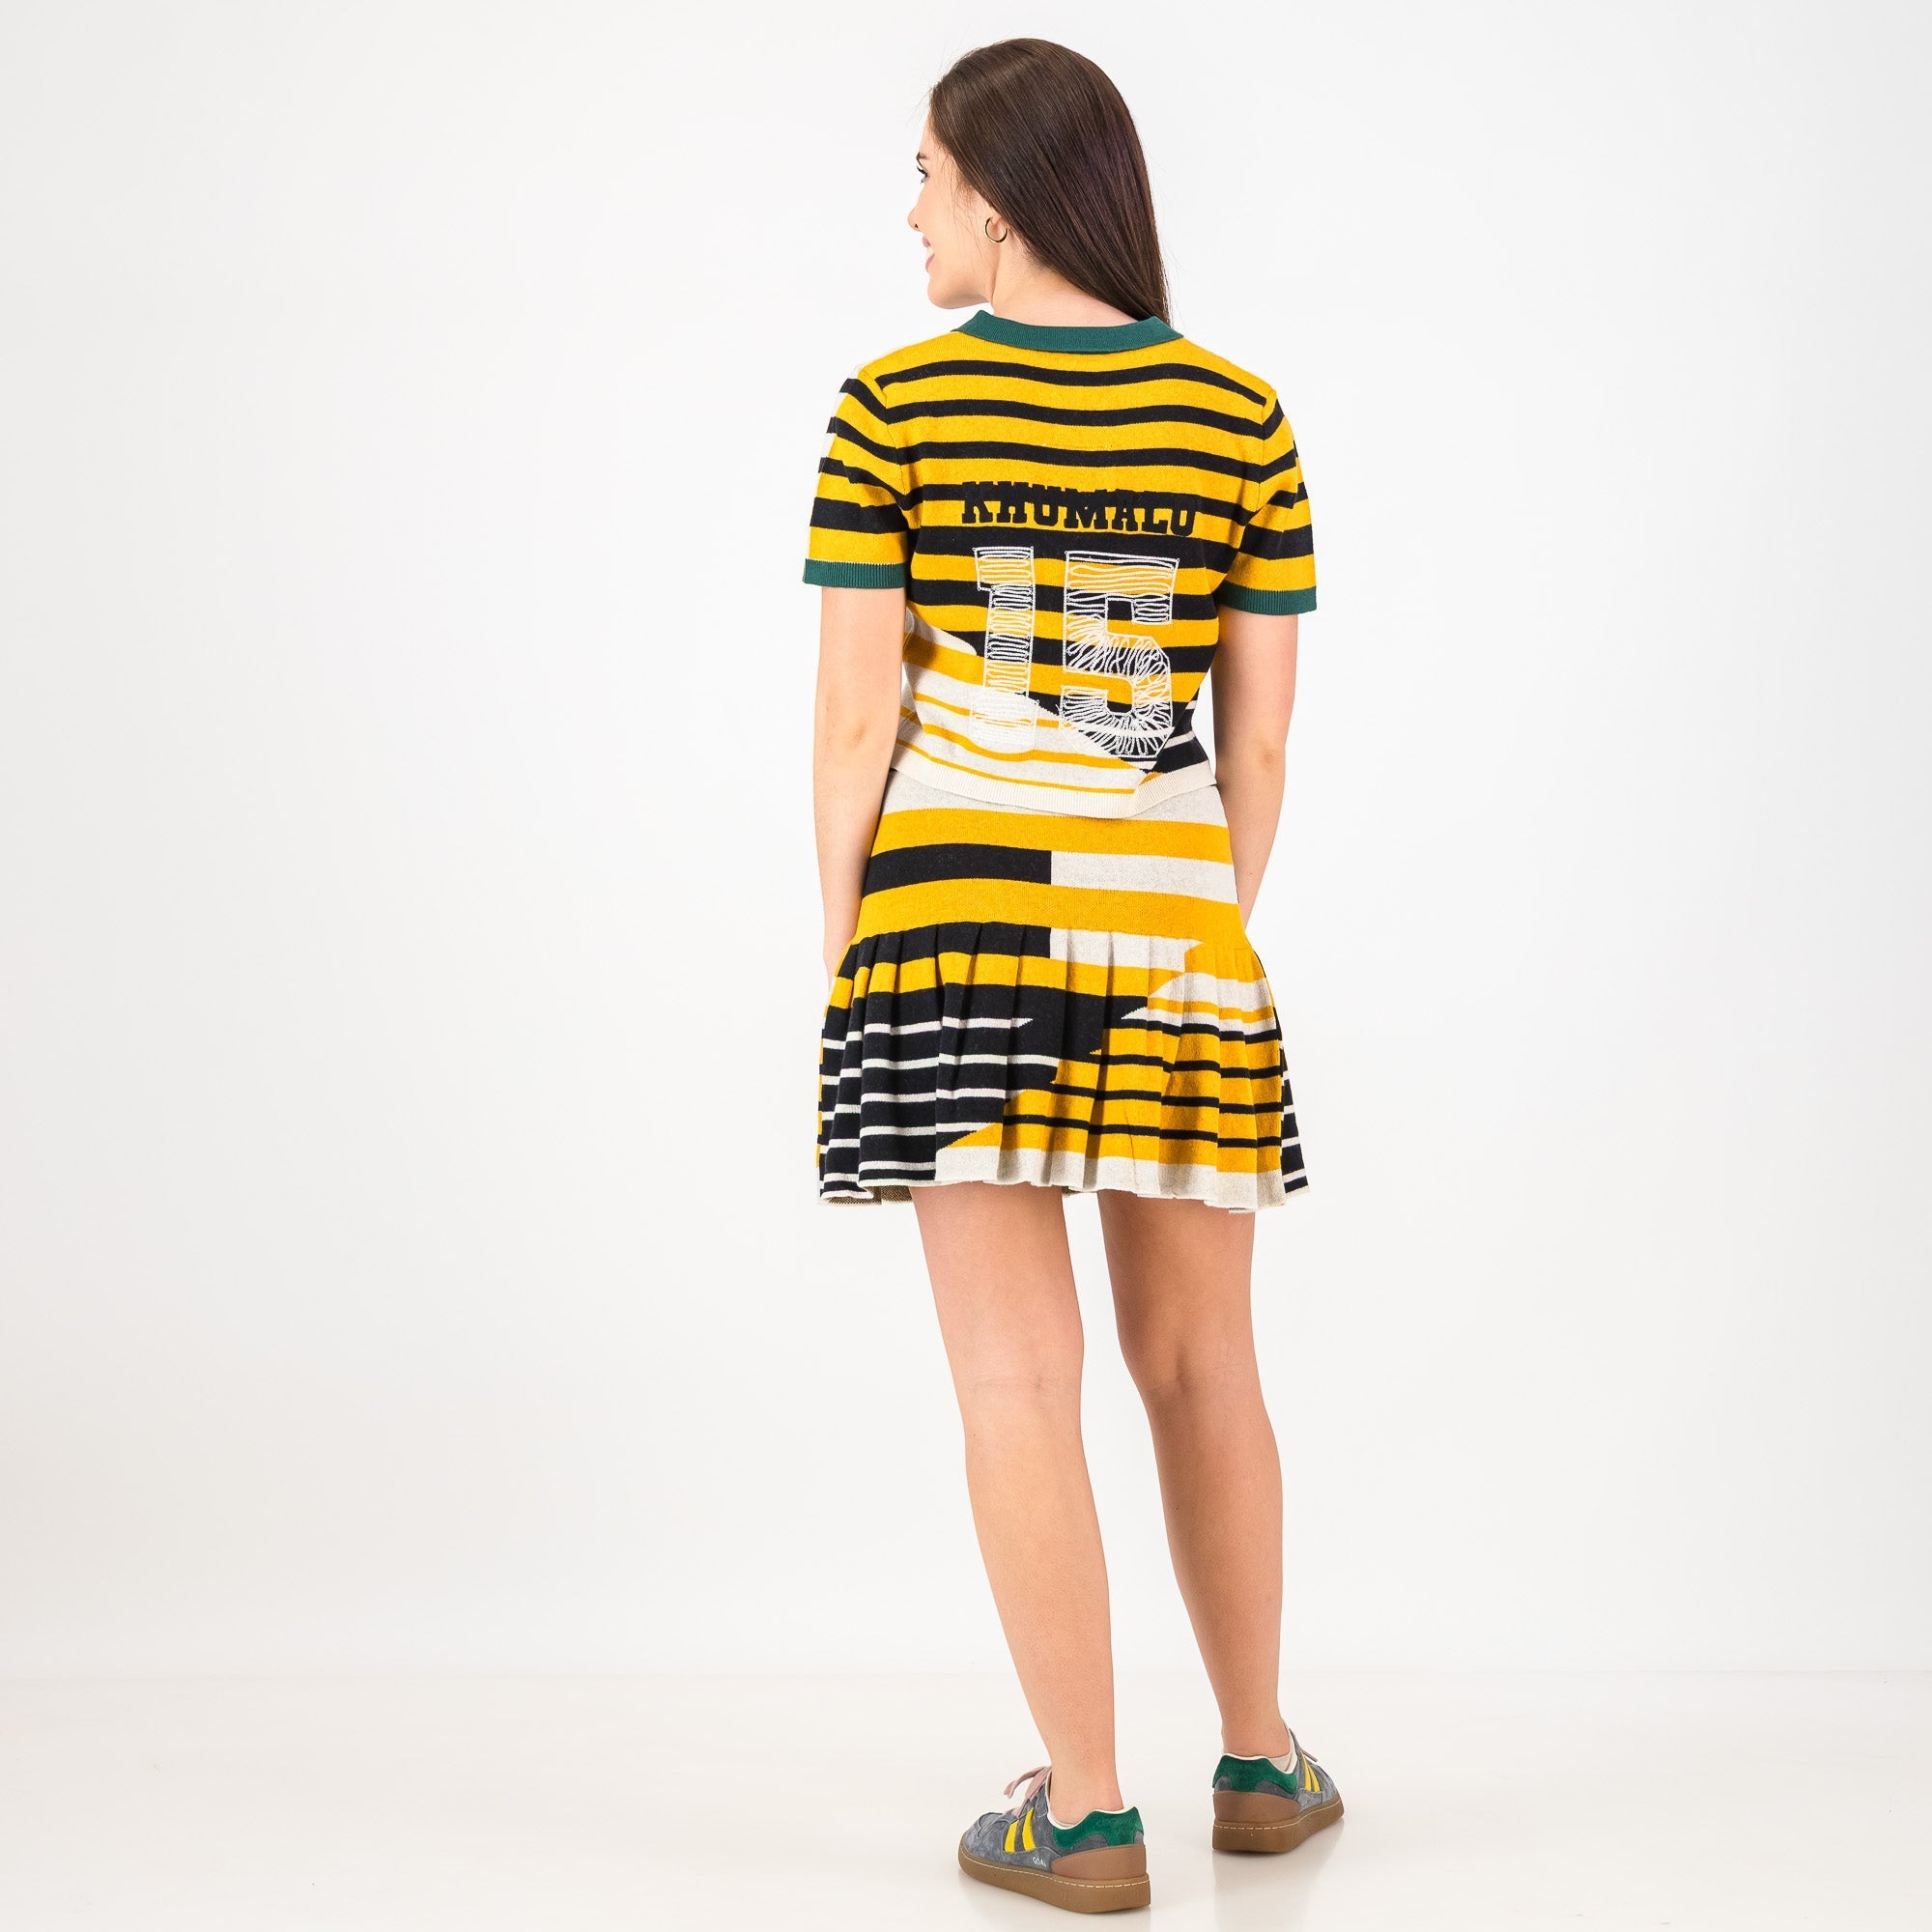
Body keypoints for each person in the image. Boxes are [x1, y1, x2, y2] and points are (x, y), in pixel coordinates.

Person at [805, 38, 1341, 1915]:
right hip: (1176, 932)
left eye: (927, 176)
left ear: (1004, 198)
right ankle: (1260, 1760)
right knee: (1203, 1362)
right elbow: (1256, 743)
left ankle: (1089, 1813)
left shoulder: (893, 410)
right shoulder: (1240, 415)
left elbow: (856, 717)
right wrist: (1192, 911)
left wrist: (851, 957)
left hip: (954, 920)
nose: (912, 213)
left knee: (1017, 1379)